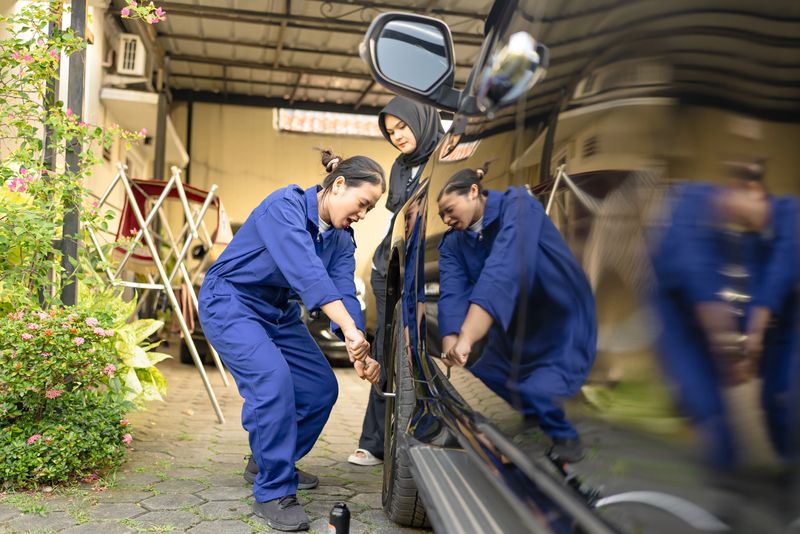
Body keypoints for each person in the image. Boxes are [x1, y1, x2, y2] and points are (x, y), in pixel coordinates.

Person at [198, 150, 383, 531]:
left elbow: (343, 289)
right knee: (273, 381)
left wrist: (358, 341)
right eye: (362, 204)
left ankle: (266, 460)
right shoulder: (283, 206)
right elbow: (306, 272)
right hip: (230, 300)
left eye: (371, 209)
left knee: (319, 388)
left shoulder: (342, 239)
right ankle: (274, 490)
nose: (362, 215)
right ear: (339, 185)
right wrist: (346, 329)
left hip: (277, 309)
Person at [436, 164, 597, 462]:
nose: (446, 219)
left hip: (560, 322)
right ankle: (535, 418)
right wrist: (452, 341)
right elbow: (452, 292)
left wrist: (468, 336)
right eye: (441, 215)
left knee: (538, 388)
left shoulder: (520, 207)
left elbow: (502, 271)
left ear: (474, 192)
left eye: (449, 209)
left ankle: (567, 443)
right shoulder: (453, 242)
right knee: (486, 372)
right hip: (512, 329)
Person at [650, 161, 799, 470]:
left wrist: (749, 345)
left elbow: (775, 279)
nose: (738, 220)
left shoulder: (787, 216)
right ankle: (733, 479)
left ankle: (786, 467)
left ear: (754, 190)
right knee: (714, 409)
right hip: (680, 318)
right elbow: (705, 284)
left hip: (788, 323)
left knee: (783, 399)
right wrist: (735, 352)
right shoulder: (697, 210)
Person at [349, 96, 444, 466]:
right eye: (391, 132)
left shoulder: (448, 157)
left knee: (422, 356)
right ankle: (373, 443)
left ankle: (419, 439)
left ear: (420, 120)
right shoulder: (401, 167)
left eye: (403, 126)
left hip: (430, 270)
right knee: (388, 350)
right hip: (390, 270)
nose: (398, 136)